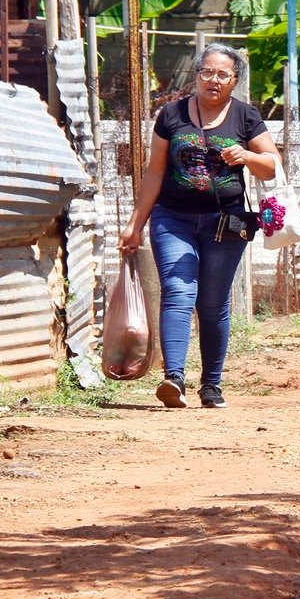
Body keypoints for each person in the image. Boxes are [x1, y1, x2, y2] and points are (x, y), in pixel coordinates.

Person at [119, 43, 280, 408]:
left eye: (223, 74)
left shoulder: (245, 116)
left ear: (234, 81)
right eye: (207, 72)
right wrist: (135, 224)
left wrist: (248, 155)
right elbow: (155, 172)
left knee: (212, 303)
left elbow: (272, 164)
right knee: (178, 289)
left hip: (225, 223)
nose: (213, 80)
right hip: (172, 217)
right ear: (196, 75)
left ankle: (211, 385)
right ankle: (173, 378)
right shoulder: (171, 115)